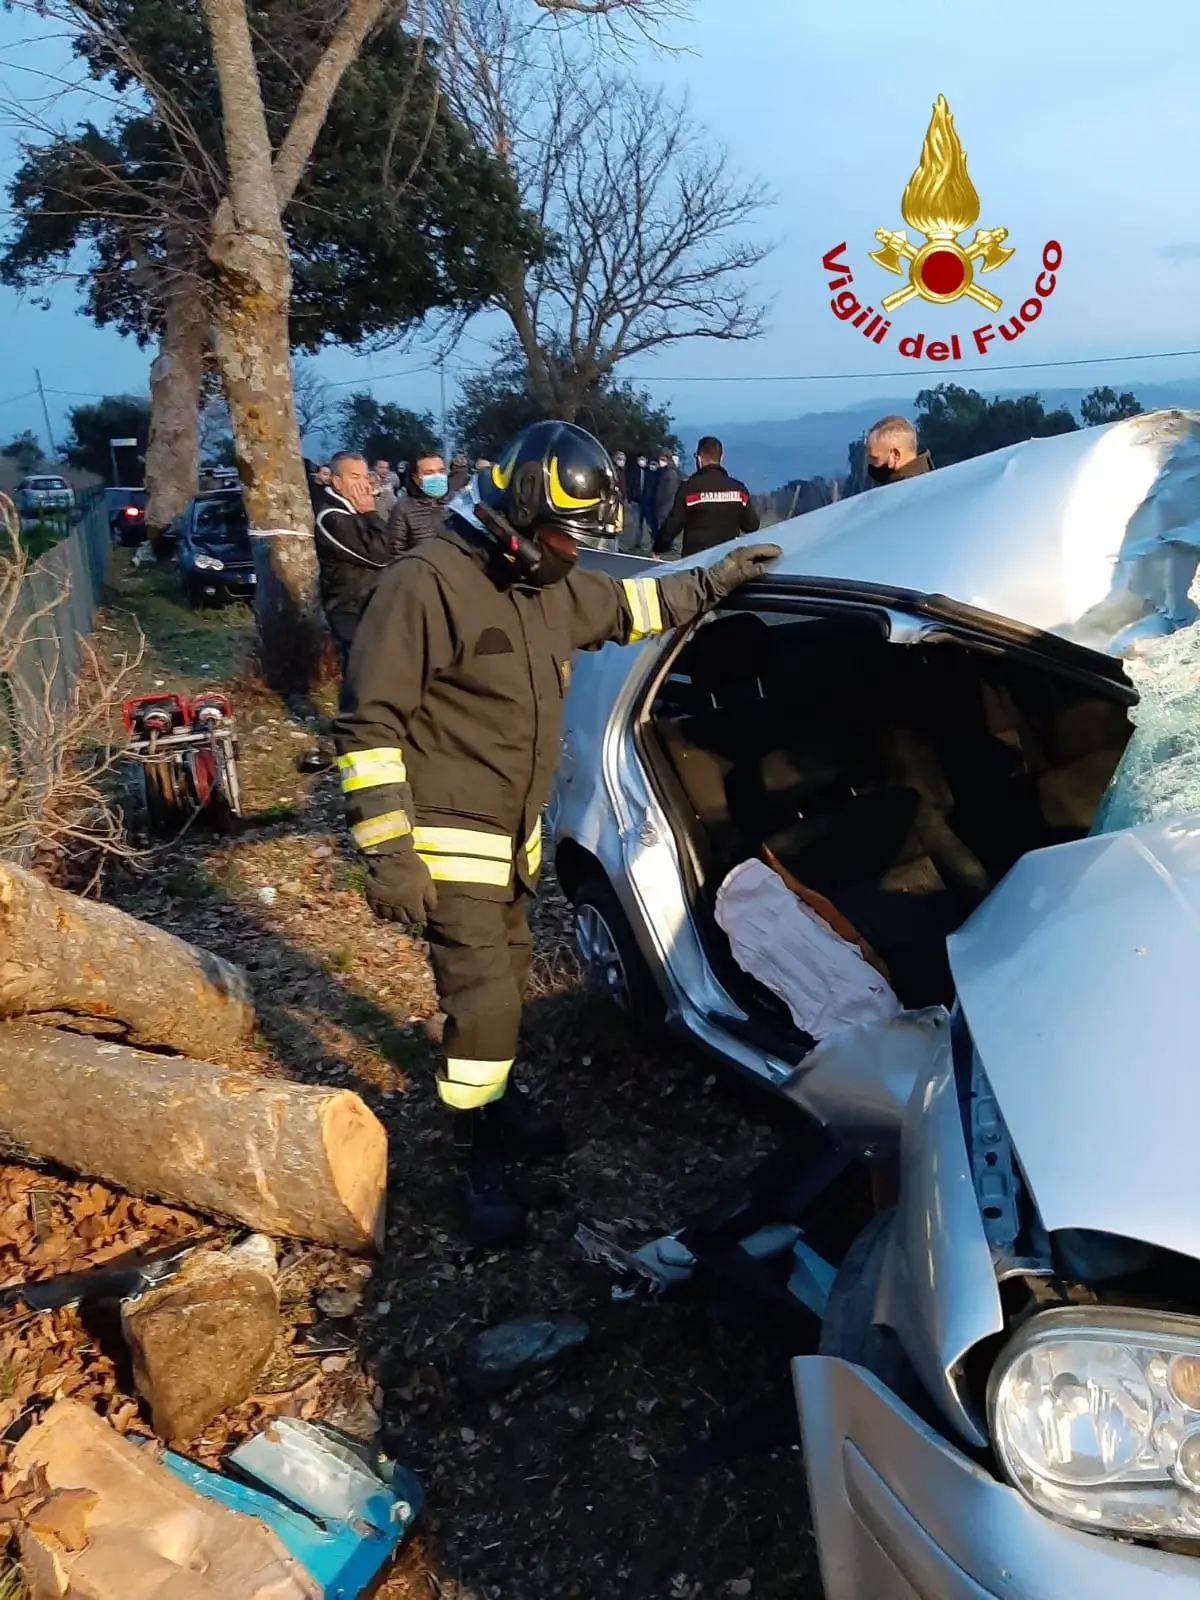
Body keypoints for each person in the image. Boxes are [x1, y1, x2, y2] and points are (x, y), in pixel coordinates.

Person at [333, 420, 781, 1247]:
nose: (574, 553)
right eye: (563, 537)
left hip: (514, 843)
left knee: (501, 991)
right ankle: (473, 1158)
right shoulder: (426, 584)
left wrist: (714, 580)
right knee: (487, 1006)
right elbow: (369, 725)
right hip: (445, 842)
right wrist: (388, 850)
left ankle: (498, 1108)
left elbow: (632, 604)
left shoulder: (545, 583)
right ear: (519, 521)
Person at [313, 451, 393, 672]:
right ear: (337, 481)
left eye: (365, 477)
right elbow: (380, 554)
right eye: (354, 477)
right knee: (361, 676)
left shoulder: (353, 511)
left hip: (370, 605)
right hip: (350, 609)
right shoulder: (332, 518)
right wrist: (370, 513)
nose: (363, 484)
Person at [654, 435, 760, 560]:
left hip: (694, 561)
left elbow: (673, 524)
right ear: (721, 458)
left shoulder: (689, 488)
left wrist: (659, 547)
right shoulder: (739, 490)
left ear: (699, 459)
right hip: (725, 562)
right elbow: (752, 525)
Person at [387, 452, 449, 553]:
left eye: (441, 471)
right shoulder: (403, 509)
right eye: (429, 473)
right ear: (415, 478)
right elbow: (395, 552)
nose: (437, 477)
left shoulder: (455, 504)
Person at [864, 415, 933, 486]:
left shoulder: (900, 492)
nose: (870, 463)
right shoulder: (931, 478)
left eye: (874, 458)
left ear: (895, 455)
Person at [651, 451, 682, 555]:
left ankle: (668, 546)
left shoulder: (671, 473)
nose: (661, 462)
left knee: (664, 527)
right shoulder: (664, 472)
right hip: (662, 505)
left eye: (663, 460)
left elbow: (669, 491)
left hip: (666, 505)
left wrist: (661, 501)